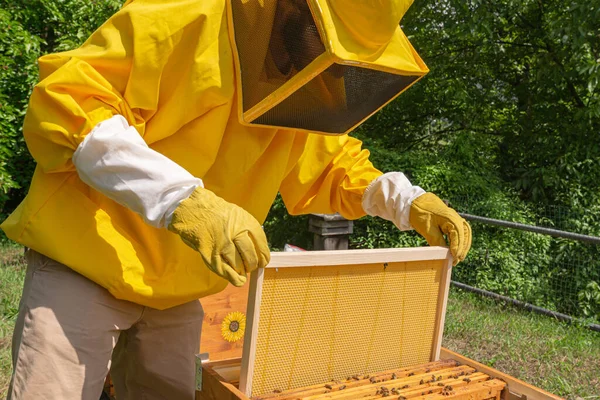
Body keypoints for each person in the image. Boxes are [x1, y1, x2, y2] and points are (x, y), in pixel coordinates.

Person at [1, 0, 472, 399]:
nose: (321, 54)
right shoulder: (184, 17)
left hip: (182, 282)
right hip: (87, 254)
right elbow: (70, 104)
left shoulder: (304, 83)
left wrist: (406, 202)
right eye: (323, 36)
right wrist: (183, 201)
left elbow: (328, 164)